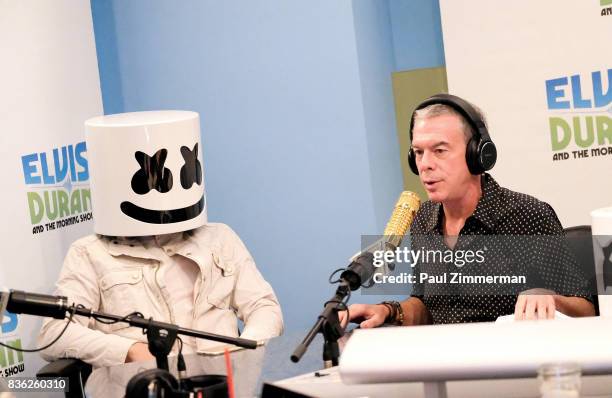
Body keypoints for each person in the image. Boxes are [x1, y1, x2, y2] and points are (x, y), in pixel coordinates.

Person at [38, 111, 283, 368]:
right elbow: (54, 332)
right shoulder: (90, 253)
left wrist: (246, 350)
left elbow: (264, 306)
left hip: (223, 381)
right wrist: (129, 350)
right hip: (148, 386)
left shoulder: (219, 238)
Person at [342, 94, 594, 329]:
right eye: (418, 152)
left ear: (478, 154)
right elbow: (428, 306)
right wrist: (389, 311)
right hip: (447, 366)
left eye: (439, 151)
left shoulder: (528, 215)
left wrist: (550, 299)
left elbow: (587, 310)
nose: (425, 165)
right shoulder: (421, 220)